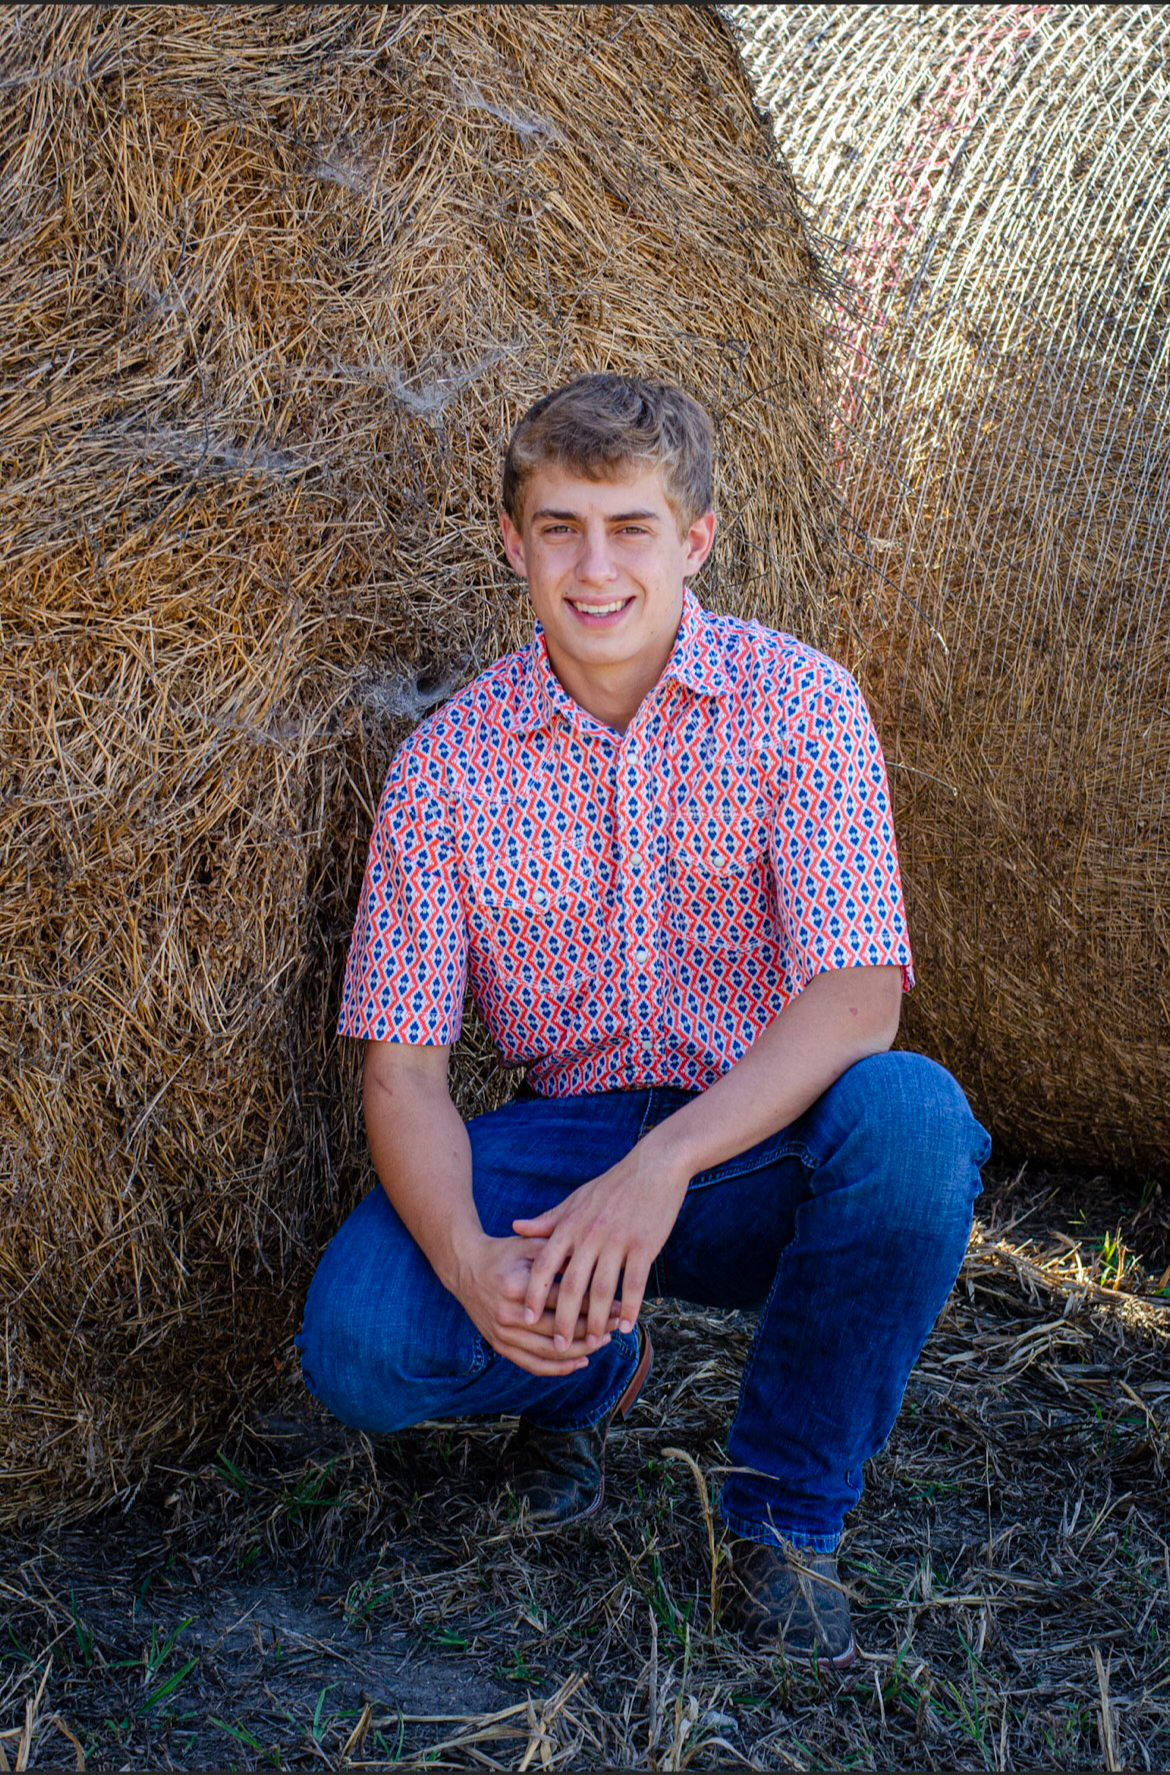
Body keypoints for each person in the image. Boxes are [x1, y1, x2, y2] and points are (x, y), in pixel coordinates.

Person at [297, 373, 990, 1669]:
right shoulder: (444, 768)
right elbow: (402, 1073)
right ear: (513, 542)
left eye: (629, 526)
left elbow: (858, 993)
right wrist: (465, 1262)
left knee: (909, 1122)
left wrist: (662, 1166)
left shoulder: (802, 703)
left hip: (753, 1145)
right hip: (565, 1148)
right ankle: (576, 1375)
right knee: (359, 1343)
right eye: (559, 526)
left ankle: (783, 1525)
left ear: (696, 539)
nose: (593, 564)